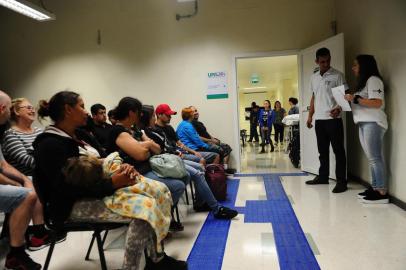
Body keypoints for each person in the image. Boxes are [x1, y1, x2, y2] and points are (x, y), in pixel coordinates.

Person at [34, 91, 187, 270]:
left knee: (159, 191)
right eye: (81, 106)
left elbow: (105, 158)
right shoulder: (49, 145)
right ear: (68, 110)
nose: (86, 111)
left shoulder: (81, 135)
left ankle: (157, 258)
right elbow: (66, 190)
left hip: (98, 190)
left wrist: (122, 168)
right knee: (144, 210)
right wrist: (113, 183)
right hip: (70, 204)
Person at [140, 105, 238, 219]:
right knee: (207, 161)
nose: (170, 117)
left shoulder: (167, 128)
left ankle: (201, 202)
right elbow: (160, 150)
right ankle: (214, 206)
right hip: (170, 159)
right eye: (167, 115)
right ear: (159, 115)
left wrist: (190, 152)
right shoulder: (149, 132)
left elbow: (177, 144)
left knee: (201, 167)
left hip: (176, 155)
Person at [105, 97, 186, 231]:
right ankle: (161, 219)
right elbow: (142, 154)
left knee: (184, 175)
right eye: (139, 112)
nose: (141, 116)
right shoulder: (117, 131)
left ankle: (164, 216)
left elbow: (157, 149)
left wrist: (145, 146)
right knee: (178, 186)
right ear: (131, 112)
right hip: (134, 173)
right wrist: (147, 145)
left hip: (147, 166)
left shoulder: (133, 130)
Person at [0, 91, 42, 270]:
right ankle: (20, 249)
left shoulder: (39, 131)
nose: (9, 112)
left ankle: (15, 251)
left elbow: (2, 165)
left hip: (29, 174)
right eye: (9, 108)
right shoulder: (10, 134)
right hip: (31, 171)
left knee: (27, 190)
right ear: (3, 109)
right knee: (27, 195)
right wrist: (18, 183)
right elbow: (28, 160)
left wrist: (23, 181)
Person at [344, 55, 388, 203]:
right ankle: (375, 187)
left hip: (373, 122)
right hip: (364, 123)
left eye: (355, 65)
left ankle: (381, 191)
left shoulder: (374, 80)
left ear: (364, 66)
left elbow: (377, 102)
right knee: (371, 158)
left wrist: (355, 99)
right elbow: (363, 101)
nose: (353, 68)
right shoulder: (364, 83)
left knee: (375, 158)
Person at [305, 47, 347, 193]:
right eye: (322, 61)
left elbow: (344, 97)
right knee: (322, 151)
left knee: (338, 151)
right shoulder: (314, 77)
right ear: (317, 61)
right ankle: (323, 176)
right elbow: (314, 97)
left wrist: (339, 109)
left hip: (333, 120)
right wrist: (310, 116)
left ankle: (341, 181)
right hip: (320, 121)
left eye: (328, 60)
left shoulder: (337, 75)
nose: (326, 64)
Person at [2, 98, 42, 176]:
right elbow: (25, 160)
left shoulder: (39, 131)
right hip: (27, 180)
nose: (33, 111)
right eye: (29, 108)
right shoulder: (11, 134)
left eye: (33, 108)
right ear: (17, 111)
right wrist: (51, 166)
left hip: (42, 176)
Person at [190, 106, 233, 170]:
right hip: (204, 143)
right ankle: (223, 170)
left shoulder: (199, 123)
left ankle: (224, 169)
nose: (196, 112)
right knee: (225, 149)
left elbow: (206, 133)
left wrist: (213, 139)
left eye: (196, 110)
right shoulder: (191, 124)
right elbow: (198, 137)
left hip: (209, 141)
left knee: (226, 147)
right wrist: (211, 140)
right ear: (190, 114)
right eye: (193, 112)